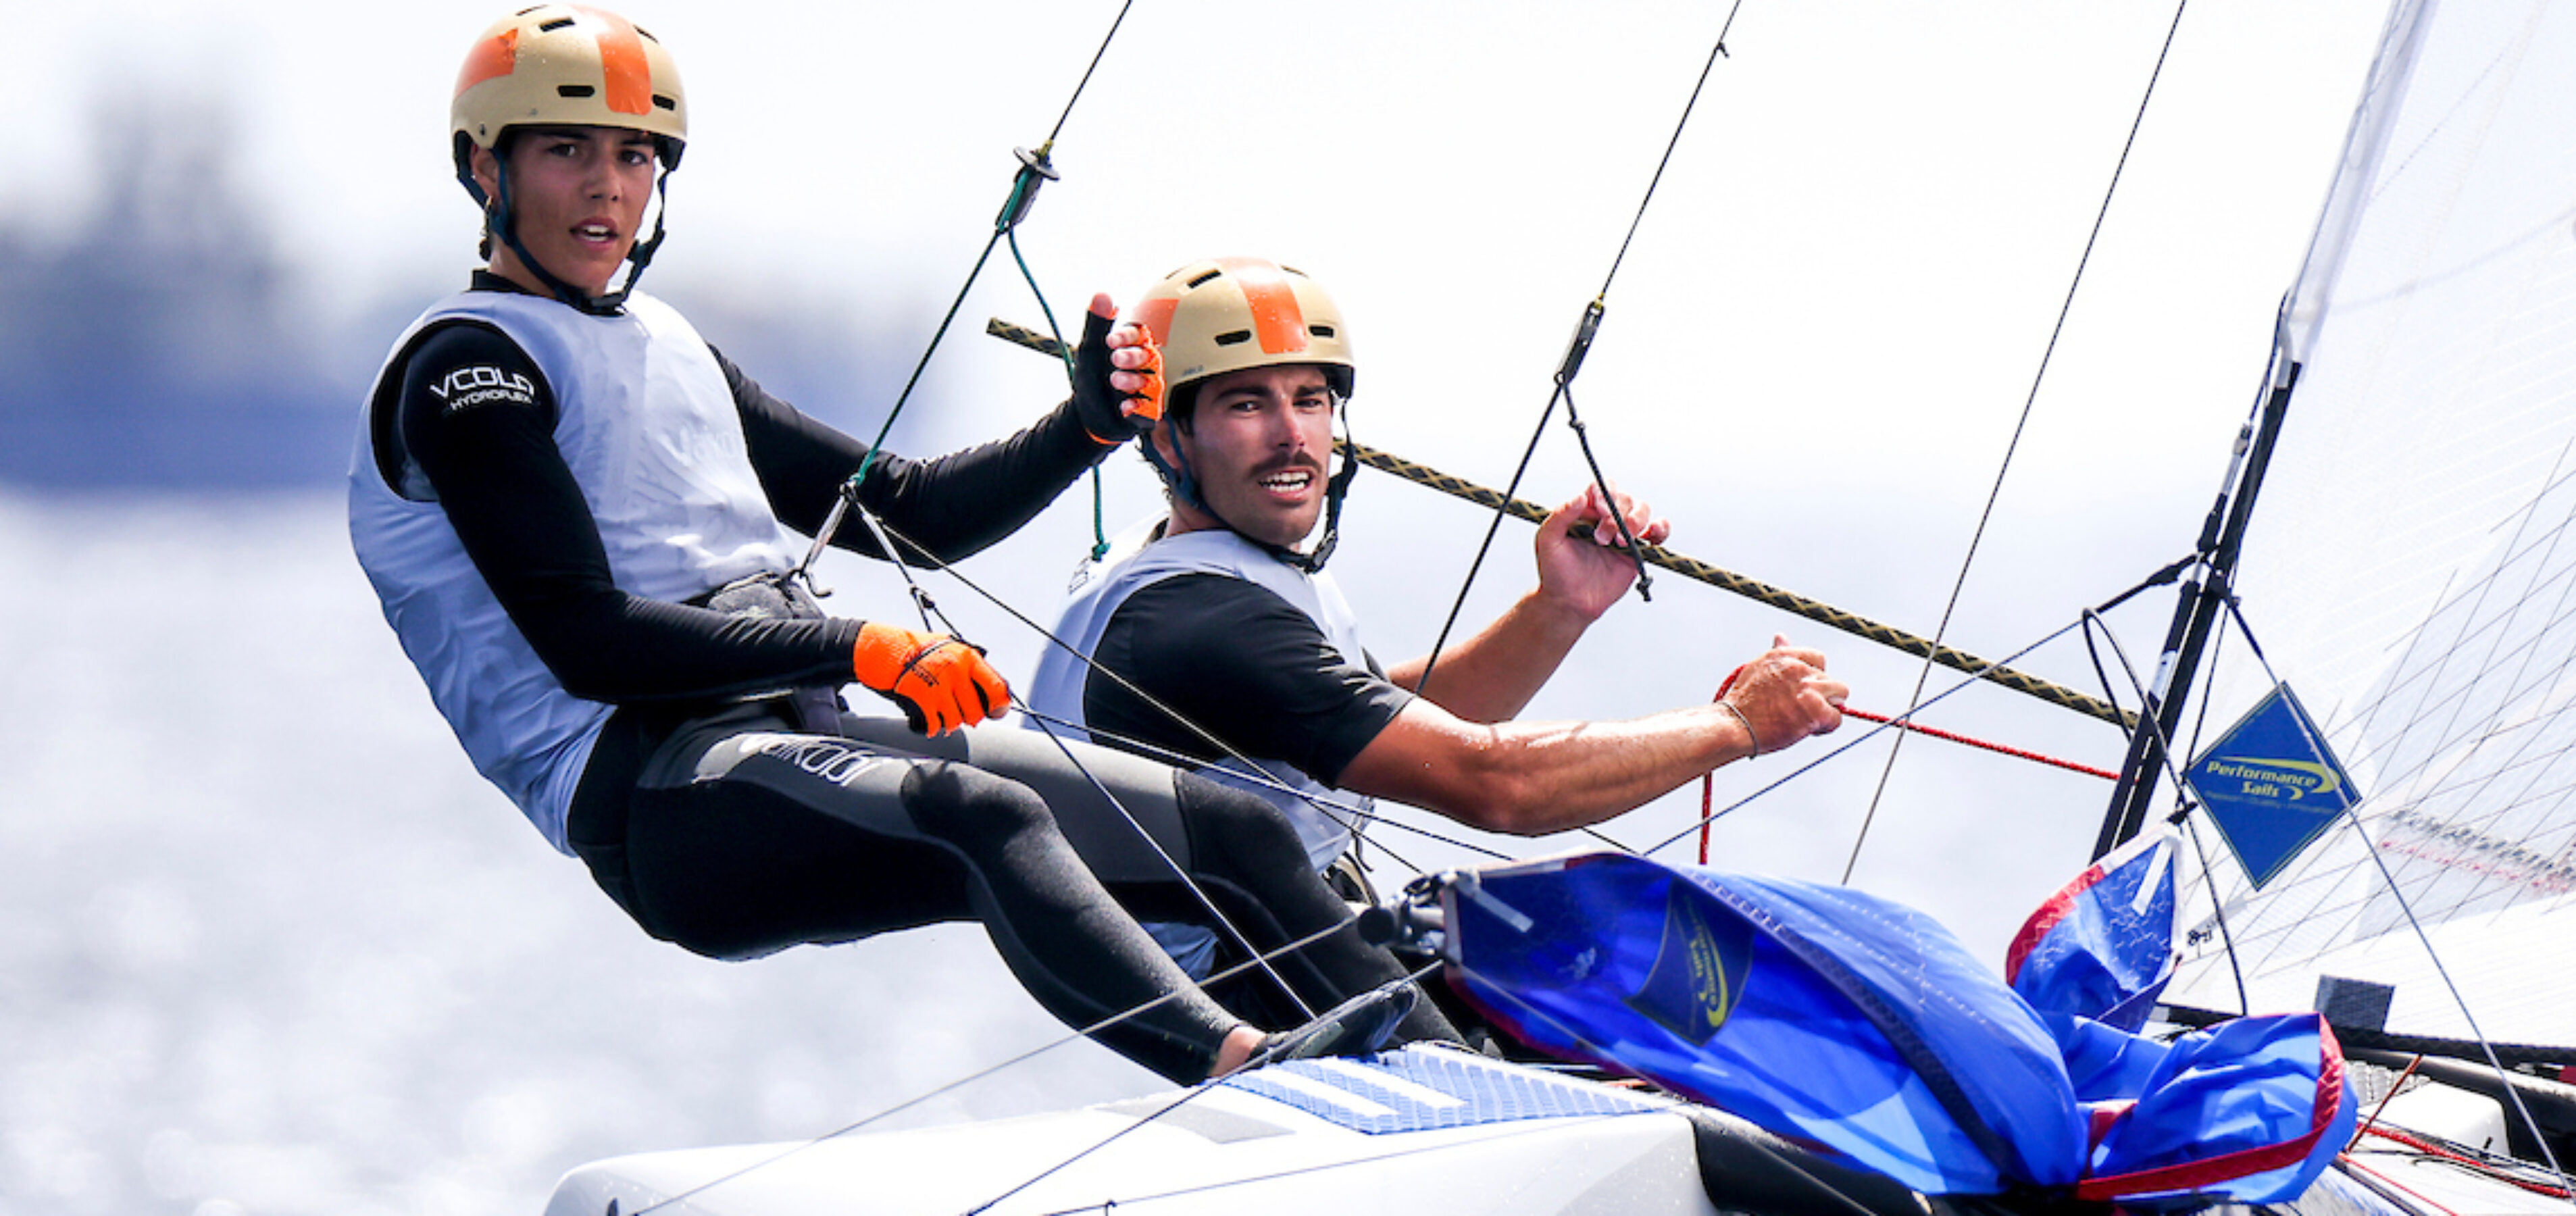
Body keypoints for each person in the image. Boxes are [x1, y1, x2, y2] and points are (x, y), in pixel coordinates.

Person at [347, 7, 1444, 1084]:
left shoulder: (668, 347)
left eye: (636, 154)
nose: (606, 186)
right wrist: (859, 649)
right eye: (565, 152)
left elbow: (909, 511)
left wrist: (1084, 431)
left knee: (1231, 830)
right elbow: (588, 644)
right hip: (665, 797)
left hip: (801, 732)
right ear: (485, 169)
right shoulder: (464, 372)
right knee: (986, 813)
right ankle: (1239, 1063)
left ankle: (1454, 1075)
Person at [1030, 256, 1852, 918]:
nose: (1291, 435)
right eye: (1248, 404)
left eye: (1311, 400)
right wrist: (1737, 724)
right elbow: (1497, 785)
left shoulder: (1186, 569)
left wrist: (1557, 609)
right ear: (1168, 441)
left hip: (1281, 950)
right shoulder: (1207, 622)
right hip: (1249, 998)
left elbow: (1379, 718)